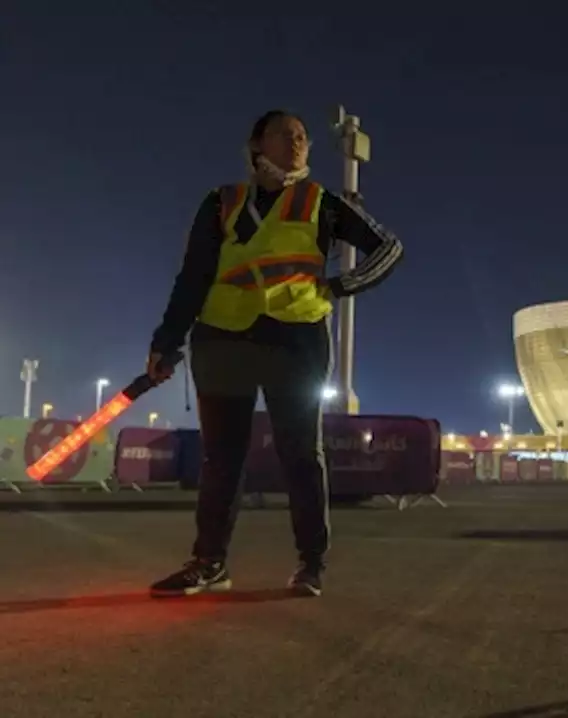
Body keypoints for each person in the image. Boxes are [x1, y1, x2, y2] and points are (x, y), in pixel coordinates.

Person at [146, 110, 404, 598]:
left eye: (304, 137)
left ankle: (311, 565)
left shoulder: (322, 203)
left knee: (302, 455)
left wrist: (341, 284)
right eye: (286, 134)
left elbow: (388, 248)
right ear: (257, 144)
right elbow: (194, 276)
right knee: (221, 459)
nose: (298, 142)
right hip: (223, 338)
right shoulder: (222, 202)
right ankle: (209, 563)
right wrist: (166, 340)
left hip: (297, 339)